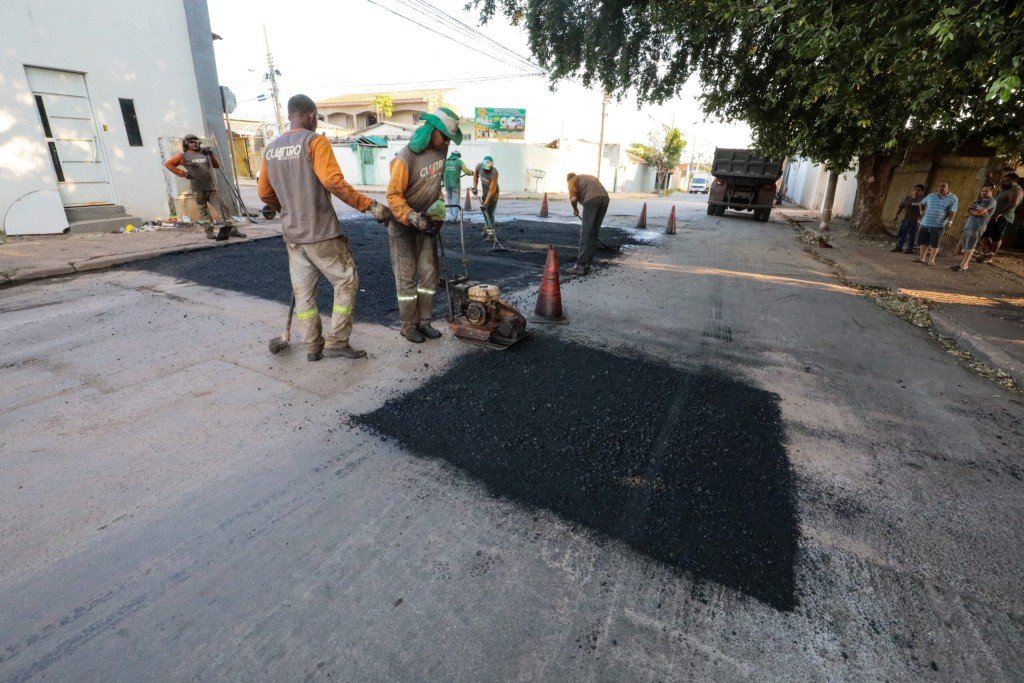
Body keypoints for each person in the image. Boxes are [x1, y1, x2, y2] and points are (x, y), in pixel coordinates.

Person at [257, 94, 391, 362]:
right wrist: (370, 205)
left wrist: (286, 209)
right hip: (321, 232)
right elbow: (333, 181)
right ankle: (337, 341)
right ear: (310, 115)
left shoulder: (270, 149)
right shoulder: (314, 141)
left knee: (304, 293)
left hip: (293, 235)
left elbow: (264, 193)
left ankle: (312, 346)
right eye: (316, 117)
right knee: (346, 280)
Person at [386, 108, 462, 343]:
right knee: (406, 278)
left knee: (429, 276)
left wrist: (438, 210)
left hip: (427, 224)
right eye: (445, 136)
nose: (448, 142)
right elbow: (393, 196)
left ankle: (424, 322)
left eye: (450, 138)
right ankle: (408, 325)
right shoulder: (405, 158)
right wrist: (411, 217)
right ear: (432, 131)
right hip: (403, 226)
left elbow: (434, 184)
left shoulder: (442, 150)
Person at [164, 134, 244, 240]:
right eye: (191, 142)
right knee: (203, 211)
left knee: (223, 209)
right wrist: (183, 174)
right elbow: (168, 164)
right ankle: (209, 231)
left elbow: (216, 166)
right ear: (186, 144)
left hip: (211, 187)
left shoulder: (205, 153)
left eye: (196, 142)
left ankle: (232, 230)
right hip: (197, 189)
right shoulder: (183, 156)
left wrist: (211, 154)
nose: (195, 144)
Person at [566, 172, 610, 275]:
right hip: (605, 198)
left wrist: (575, 208)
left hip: (592, 199)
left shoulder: (572, 181)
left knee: (586, 233)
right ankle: (586, 264)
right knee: (593, 233)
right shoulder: (585, 178)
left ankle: (580, 266)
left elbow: (573, 199)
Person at [976, 172, 1022, 263]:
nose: (1003, 182)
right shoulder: (1007, 188)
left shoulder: (1016, 190)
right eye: (1003, 180)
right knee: (985, 233)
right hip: (995, 215)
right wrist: (990, 178)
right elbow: (998, 185)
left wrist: (999, 213)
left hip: (1002, 216)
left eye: (1006, 181)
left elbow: (1014, 203)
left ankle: (990, 256)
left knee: (996, 236)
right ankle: (989, 253)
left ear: (1013, 181)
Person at [951, 185, 997, 272]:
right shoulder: (978, 201)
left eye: (986, 191)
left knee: (970, 246)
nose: (983, 192)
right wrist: (973, 211)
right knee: (966, 246)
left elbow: (979, 212)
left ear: (992, 192)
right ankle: (964, 264)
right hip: (969, 225)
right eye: (982, 190)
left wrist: (973, 211)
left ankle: (963, 265)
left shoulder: (991, 201)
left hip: (977, 226)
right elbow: (967, 213)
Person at [916, 181, 958, 266]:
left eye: (943, 186)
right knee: (923, 242)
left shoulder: (953, 198)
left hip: (938, 225)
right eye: (939, 186)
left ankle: (931, 260)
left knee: (934, 243)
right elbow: (921, 203)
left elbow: (953, 211)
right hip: (925, 222)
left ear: (948, 187)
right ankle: (922, 258)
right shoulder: (931, 195)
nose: (940, 188)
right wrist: (921, 211)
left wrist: (950, 222)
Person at [472, 156, 500, 240]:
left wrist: (486, 203)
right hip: (485, 194)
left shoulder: (494, 173)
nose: (486, 170)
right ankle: (487, 230)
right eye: (485, 168)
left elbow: (492, 191)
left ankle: (491, 235)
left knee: (489, 214)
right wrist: (475, 187)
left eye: (488, 169)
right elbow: (475, 176)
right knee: (485, 213)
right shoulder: (479, 167)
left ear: (491, 166)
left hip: (493, 196)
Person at [892, 184, 925, 253]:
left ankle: (909, 248)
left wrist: (919, 218)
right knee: (902, 233)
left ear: (922, 192)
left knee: (911, 234)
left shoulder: (922, 199)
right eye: (915, 189)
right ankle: (899, 247)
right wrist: (896, 215)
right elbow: (901, 207)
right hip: (905, 218)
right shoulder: (907, 198)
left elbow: (922, 208)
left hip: (915, 219)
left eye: (918, 190)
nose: (916, 191)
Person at [443, 150, 473, 223]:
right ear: (458, 155)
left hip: (447, 184)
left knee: (449, 199)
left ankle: (452, 215)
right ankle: (454, 218)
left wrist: (442, 181)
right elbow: (466, 171)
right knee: (455, 201)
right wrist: (471, 172)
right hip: (455, 184)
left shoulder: (446, 162)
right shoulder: (459, 162)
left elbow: (441, 172)